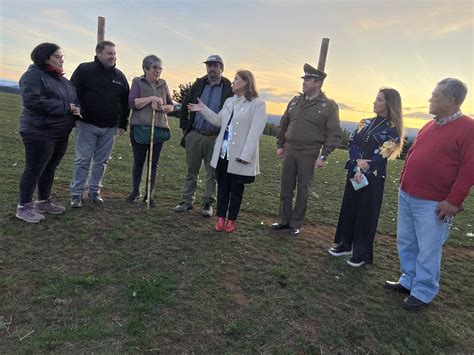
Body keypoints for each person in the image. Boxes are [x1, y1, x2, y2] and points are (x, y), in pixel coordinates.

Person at [384, 78, 473, 310]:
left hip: (435, 202)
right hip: (408, 194)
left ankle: (423, 291)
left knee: (428, 248)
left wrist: (453, 202)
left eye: (435, 95)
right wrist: (404, 182)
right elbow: (414, 155)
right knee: (407, 241)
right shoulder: (430, 125)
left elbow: (469, 169)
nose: (429, 99)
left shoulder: (468, 128)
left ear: (451, 99)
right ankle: (409, 280)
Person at [328, 88, 404, 267]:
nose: (374, 102)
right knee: (349, 207)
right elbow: (352, 141)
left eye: (379, 100)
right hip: (355, 171)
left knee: (366, 213)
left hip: (374, 175)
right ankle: (344, 244)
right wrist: (357, 160)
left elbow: (388, 149)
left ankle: (360, 253)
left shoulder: (392, 128)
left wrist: (368, 163)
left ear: (388, 104)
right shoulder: (365, 122)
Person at [187, 70, 267, 233]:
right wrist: (203, 109)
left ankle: (231, 220)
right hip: (223, 153)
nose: (233, 82)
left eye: (236, 79)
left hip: (240, 156)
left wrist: (246, 155)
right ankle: (220, 218)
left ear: (246, 82)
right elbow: (218, 120)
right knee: (223, 187)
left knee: (236, 190)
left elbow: (255, 132)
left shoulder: (257, 104)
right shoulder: (230, 101)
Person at [271, 63, 342, 236]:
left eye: (308, 79)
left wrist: (323, 156)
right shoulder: (295, 101)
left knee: (303, 189)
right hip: (290, 149)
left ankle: (295, 223)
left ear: (318, 83)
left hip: (309, 153)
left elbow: (334, 133)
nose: (304, 82)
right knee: (286, 187)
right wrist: (280, 145)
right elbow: (284, 123)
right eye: (304, 79)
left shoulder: (328, 106)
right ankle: (284, 220)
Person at [16, 42, 80, 223]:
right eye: (57, 56)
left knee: (50, 167)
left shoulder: (63, 81)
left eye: (62, 57)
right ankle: (24, 206)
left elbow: (73, 100)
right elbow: (33, 100)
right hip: (39, 130)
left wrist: (75, 109)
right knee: (34, 168)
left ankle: (43, 201)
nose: (61, 60)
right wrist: (65, 107)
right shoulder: (33, 76)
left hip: (61, 131)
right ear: (45, 58)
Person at [69, 40, 130, 207]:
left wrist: (123, 122)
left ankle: (94, 191)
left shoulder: (119, 76)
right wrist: (74, 113)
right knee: (82, 160)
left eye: (115, 54)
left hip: (109, 127)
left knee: (101, 162)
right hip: (87, 124)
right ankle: (76, 194)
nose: (113, 57)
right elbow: (71, 91)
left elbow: (125, 102)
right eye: (110, 53)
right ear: (98, 52)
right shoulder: (84, 70)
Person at [175, 55, 233, 217]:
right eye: (209, 65)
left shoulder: (228, 88)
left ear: (222, 68)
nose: (211, 69)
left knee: (212, 173)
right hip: (195, 134)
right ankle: (186, 201)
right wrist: (185, 130)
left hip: (215, 137)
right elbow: (185, 104)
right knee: (191, 171)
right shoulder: (199, 84)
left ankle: (208, 203)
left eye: (215, 65)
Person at [126, 55, 174, 207]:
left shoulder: (163, 84)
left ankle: (149, 194)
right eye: (154, 68)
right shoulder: (137, 82)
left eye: (160, 68)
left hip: (158, 128)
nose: (158, 71)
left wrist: (160, 107)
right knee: (139, 162)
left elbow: (171, 106)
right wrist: (151, 98)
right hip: (139, 128)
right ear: (146, 68)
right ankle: (135, 192)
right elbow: (133, 103)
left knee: (153, 163)